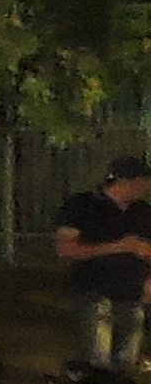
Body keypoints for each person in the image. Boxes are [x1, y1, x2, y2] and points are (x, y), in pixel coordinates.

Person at [65, 156, 151, 368]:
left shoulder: (143, 211)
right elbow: (67, 249)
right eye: (142, 182)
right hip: (94, 293)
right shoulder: (83, 206)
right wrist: (119, 247)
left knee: (128, 365)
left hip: (132, 297)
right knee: (100, 364)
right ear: (124, 182)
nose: (146, 188)